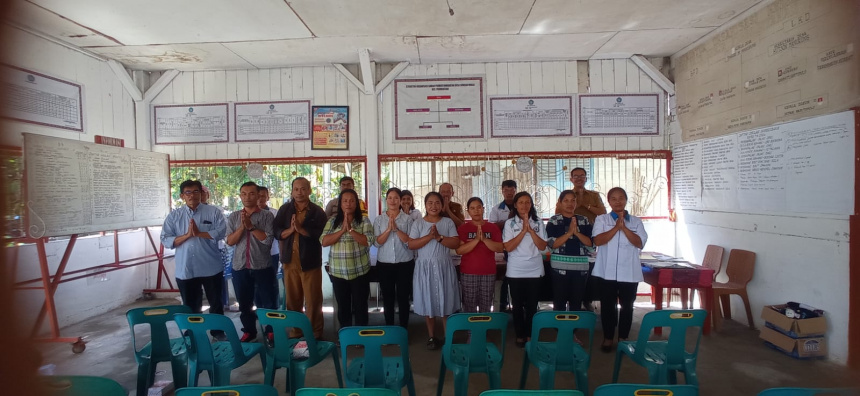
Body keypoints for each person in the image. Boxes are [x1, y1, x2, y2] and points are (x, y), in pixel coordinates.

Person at [160, 180, 227, 339]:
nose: (192, 195)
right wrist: (187, 236)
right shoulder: (174, 216)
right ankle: (193, 334)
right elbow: (165, 239)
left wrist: (199, 234)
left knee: (216, 304)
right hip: (186, 269)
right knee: (190, 306)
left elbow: (221, 231)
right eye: (188, 192)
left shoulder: (213, 212)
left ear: (201, 193)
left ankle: (218, 332)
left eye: (196, 191)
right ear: (182, 196)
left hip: (211, 266)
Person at [592, 187, 648, 353]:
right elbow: (598, 240)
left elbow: (639, 242)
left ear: (626, 200)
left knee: (627, 307)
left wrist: (624, 228)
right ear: (609, 202)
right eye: (614, 199)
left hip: (629, 273)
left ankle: (623, 338)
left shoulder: (636, 222)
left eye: (621, 198)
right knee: (608, 307)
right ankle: (608, 338)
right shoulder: (601, 220)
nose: (618, 201)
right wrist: (616, 227)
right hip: (606, 272)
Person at [273, 177, 328, 339]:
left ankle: (315, 332)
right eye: (296, 189)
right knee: (293, 300)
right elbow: (277, 231)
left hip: (310, 262)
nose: (299, 192)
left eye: (303, 189)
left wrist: (301, 230)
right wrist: (291, 230)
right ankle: (296, 331)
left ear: (309, 191)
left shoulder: (317, 211)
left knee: (313, 300)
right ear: (291, 191)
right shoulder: (284, 210)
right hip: (290, 262)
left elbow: (322, 235)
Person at [408, 192, 461, 350]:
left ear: (442, 205)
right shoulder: (418, 223)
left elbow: (455, 243)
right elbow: (411, 244)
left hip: (443, 265)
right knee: (428, 300)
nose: (433, 206)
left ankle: (447, 336)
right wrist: (430, 237)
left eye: (437, 203)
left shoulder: (448, 222)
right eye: (430, 203)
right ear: (425, 205)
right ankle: (431, 336)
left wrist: (439, 238)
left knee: (446, 302)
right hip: (425, 267)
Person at [225, 182, 276, 342]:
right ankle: (249, 330)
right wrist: (242, 227)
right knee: (244, 303)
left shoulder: (267, 216)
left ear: (258, 195)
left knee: (269, 302)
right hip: (240, 266)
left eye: (252, 193)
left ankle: (271, 331)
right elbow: (230, 241)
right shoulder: (233, 216)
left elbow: (267, 240)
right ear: (240, 196)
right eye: (244, 194)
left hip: (263, 266)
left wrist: (252, 227)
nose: (248, 197)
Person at [322, 189, 375, 328]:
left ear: (356, 204)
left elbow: (368, 241)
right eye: (345, 201)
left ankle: (360, 336)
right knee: (343, 307)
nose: (348, 204)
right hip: (338, 272)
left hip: (360, 272)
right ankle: (345, 336)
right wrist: (341, 230)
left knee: (360, 306)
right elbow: (324, 241)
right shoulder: (333, 221)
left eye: (352, 200)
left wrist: (351, 230)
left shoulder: (364, 220)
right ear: (340, 204)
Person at [503, 191, 548, 348]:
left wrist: (530, 230)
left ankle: (530, 334)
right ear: (515, 205)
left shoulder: (538, 222)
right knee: (517, 304)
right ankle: (519, 335)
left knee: (532, 305)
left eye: (527, 202)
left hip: (535, 270)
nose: (524, 205)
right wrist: (523, 231)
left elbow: (542, 246)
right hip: (515, 270)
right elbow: (508, 247)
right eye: (520, 202)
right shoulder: (510, 224)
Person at [373, 188, 415, 328]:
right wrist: (388, 230)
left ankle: (403, 329)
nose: (393, 201)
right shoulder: (379, 219)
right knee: (388, 298)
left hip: (405, 263)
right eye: (390, 198)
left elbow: (410, 242)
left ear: (400, 201)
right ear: (386, 200)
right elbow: (377, 243)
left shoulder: (408, 219)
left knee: (404, 298)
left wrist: (396, 229)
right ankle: (390, 328)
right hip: (385, 264)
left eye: (396, 198)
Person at [546, 190, 593, 312]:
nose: (570, 203)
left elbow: (591, 245)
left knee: (576, 304)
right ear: (560, 203)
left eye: (573, 200)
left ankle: (574, 329)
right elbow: (552, 244)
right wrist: (569, 234)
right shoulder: (554, 221)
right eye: (566, 200)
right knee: (559, 303)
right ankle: (560, 329)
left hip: (580, 269)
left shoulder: (584, 220)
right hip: (559, 268)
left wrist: (576, 233)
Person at [456, 197, 504, 313]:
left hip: (488, 272)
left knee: (486, 306)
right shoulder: (463, 228)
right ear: (468, 211)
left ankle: (483, 330)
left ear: (483, 209)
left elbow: (500, 248)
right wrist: (476, 240)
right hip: (468, 272)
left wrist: (485, 240)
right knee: (469, 305)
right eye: (472, 208)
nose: (476, 211)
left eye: (478, 207)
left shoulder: (492, 228)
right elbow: (459, 250)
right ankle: (471, 331)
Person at [570, 167, 607, 311]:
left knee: (590, 268)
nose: (579, 178)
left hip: (590, 235)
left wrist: (585, 204)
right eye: (576, 176)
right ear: (571, 179)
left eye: (582, 176)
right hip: (571, 234)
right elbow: (558, 212)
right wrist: (574, 203)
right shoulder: (566, 194)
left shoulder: (594, 195)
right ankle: (573, 301)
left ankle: (587, 299)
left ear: (586, 178)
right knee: (574, 269)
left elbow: (603, 212)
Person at [488, 180, 517, 312]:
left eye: (511, 190)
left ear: (515, 191)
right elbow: (492, 227)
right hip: (502, 246)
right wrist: (509, 221)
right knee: (503, 277)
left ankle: (517, 305)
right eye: (506, 190)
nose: (509, 193)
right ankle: (502, 304)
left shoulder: (521, 206)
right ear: (502, 191)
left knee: (516, 278)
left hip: (519, 246)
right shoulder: (496, 209)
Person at [258, 185, 281, 309]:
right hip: (254, 255)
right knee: (257, 284)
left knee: (272, 282)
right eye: (258, 195)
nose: (261, 198)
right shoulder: (247, 213)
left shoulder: (274, 213)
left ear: (268, 197)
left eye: (263, 196)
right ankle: (260, 310)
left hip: (272, 253)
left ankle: (274, 309)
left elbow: (277, 234)